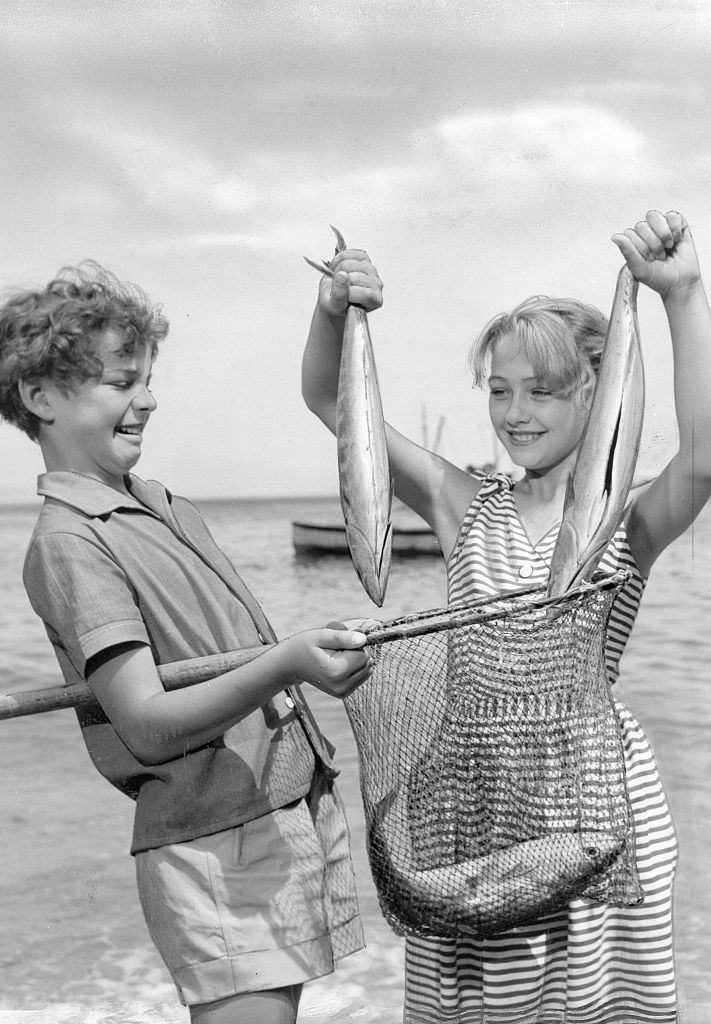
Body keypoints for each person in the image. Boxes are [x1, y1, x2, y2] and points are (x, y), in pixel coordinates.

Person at [302, 209, 711, 1022]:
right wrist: (332, 312)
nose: (515, 411)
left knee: (592, 1002)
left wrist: (682, 295)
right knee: (481, 1001)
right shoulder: (463, 505)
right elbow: (330, 403)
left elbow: (703, 458)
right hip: (473, 799)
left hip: (593, 797)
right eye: (497, 389)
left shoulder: (624, 518)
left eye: (542, 390)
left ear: (595, 388)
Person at [0, 262, 374, 1024]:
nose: (148, 398)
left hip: (276, 809)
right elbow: (144, 723)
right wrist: (289, 663)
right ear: (40, 399)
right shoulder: (71, 541)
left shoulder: (162, 505)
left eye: (147, 378)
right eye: (119, 381)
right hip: (214, 843)